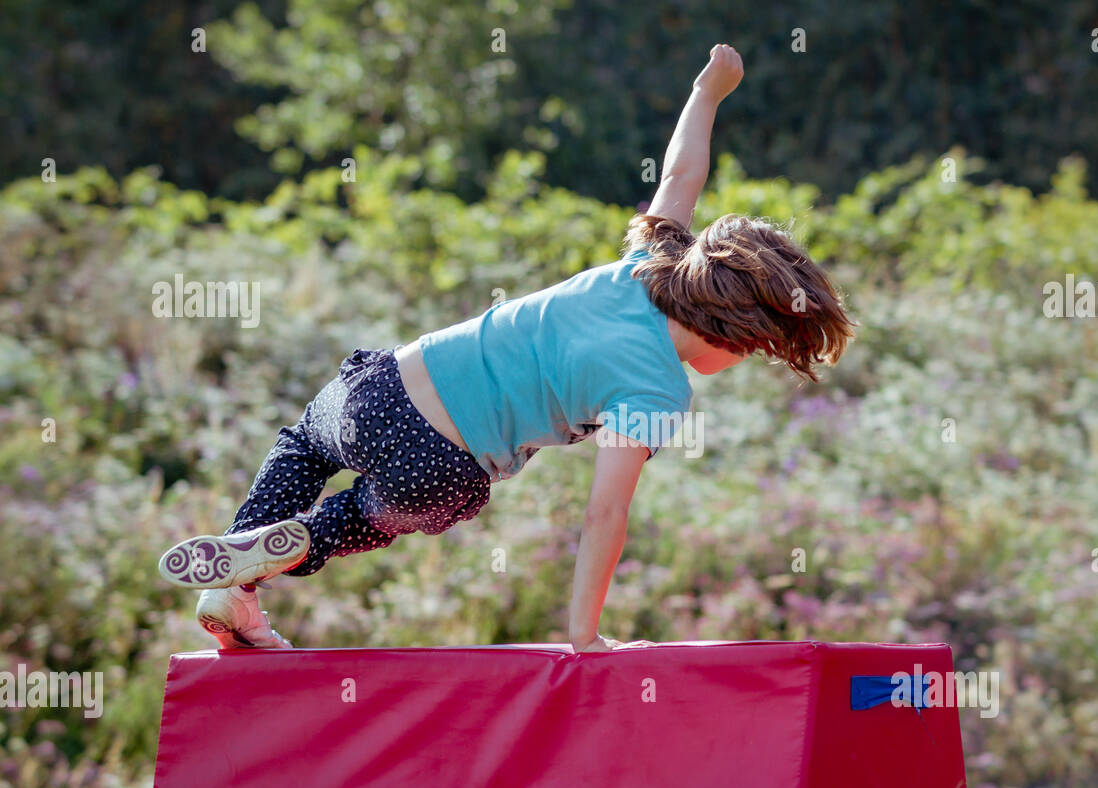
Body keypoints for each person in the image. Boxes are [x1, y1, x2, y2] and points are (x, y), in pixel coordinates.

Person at [157, 43, 853, 652]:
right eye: (753, 353)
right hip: (442, 467)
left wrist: (706, 92)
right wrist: (584, 635)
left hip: (381, 391)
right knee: (365, 517)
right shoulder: (657, 391)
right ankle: (304, 543)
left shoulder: (648, 262)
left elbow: (681, 177)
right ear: (739, 334)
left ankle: (236, 576)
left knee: (305, 444)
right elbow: (605, 512)